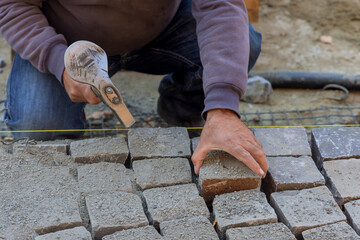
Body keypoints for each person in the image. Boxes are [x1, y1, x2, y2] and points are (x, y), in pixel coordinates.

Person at [0, 0, 268, 177]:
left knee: (244, 45)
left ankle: (183, 105)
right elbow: (12, 5)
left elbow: (220, 5)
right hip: (67, 42)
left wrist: (222, 108)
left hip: (163, 29)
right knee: (39, 127)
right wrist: (58, 62)